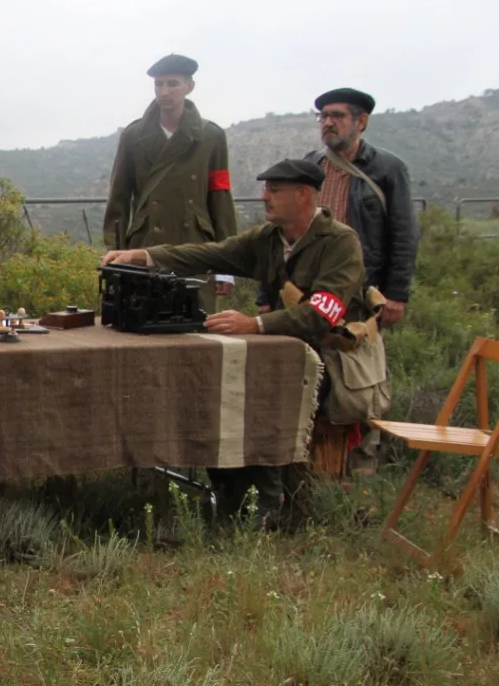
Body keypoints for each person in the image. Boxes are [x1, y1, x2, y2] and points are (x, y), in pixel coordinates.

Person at [102, 158, 389, 520]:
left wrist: (255, 324)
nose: (264, 196)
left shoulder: (340, 243)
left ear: (303, 195)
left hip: (337, 361)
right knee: (222, 384)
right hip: (288, 352)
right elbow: (213, 253)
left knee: (255, 394)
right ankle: (240, 498)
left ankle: (269, 506)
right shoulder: (270, 239)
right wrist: (145, 256)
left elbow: (323, 315)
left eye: (274, 190)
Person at [298, 87, 417, 470]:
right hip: (312, 291)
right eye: (323, 117)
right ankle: (313, 469)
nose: (328, 123)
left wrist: (395, 294)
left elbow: (403, 234)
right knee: (313, 375)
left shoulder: (386, 168)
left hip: (364, 294)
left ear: (361, 121)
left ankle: (361, 472)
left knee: (362, 380)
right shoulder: (310, 164)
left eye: (337, 116)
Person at [102, 54, 238, 309]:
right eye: (159, 84)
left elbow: (220, 198)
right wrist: (116, 254)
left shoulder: (210, 137)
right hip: (144, 247)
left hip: (195, 247)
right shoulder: (134, 136)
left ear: (189, 86)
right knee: (143, 323)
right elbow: (118, 201)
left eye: (172, 83)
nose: (164, 92)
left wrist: (225, 266)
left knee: (195, 326)